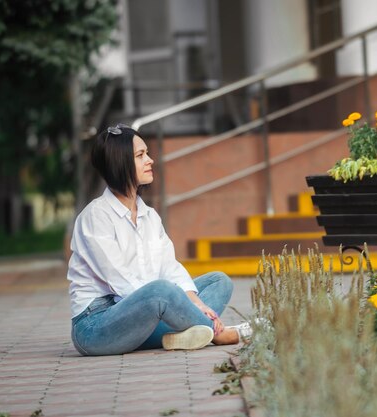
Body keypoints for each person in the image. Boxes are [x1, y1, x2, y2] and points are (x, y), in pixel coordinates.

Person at [67, 124, 250, 356]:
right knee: (161, 291)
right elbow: (120, 280)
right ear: (119, 162)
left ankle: (183, 333)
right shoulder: (96, 216)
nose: (150, 160)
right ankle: (217, 334)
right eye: (140, 155)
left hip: (145, 313)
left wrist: (198, 305)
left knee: (219, 282)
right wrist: (168, 302)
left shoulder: (149, 216)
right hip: (96, 326)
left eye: (147, 153)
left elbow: (170, 268)